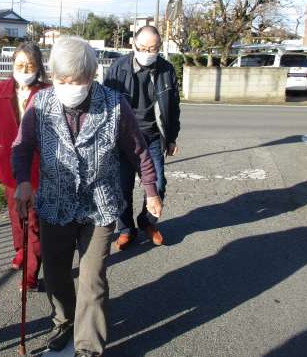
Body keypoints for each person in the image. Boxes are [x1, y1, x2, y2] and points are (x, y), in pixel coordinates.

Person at [12, 37, 162, 357]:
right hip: (55, 202)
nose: (69, 87)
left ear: (93, 74)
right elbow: (21, 147)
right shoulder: (40, 104)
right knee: (56, 273)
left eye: (77, 81)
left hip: (99, 204)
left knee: (92, 279)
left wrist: (151, 190)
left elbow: (138, 151)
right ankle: (64, 320)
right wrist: (23, 182)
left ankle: (88, 347)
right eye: (62, 80)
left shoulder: (114, 105)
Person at [0, 42, 49, 291]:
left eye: (30, 65)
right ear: (13, 64)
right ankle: (21, 251)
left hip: (38, 167)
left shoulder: (47, 91)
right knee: (16, 216)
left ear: (38, 67)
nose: (25, 70)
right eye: (20, 64)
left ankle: (31, 274)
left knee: (32, 221)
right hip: (9, 165)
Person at [104, 25, 181, 250]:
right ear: (133, 44)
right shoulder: (118, 68)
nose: (148, 53)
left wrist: (172, 138)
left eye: (153, 49)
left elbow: (173, 107)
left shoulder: (166, 70)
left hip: (153, 136)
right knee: (122, 187)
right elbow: (105, 105)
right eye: (143, 48)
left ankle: (147, 222)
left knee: (158, 184)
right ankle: (126, 229)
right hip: (123, 138)